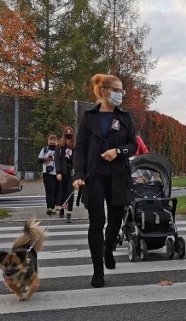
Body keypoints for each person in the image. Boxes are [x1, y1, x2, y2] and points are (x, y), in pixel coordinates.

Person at [73, 74, 137, 288]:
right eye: (117, 90)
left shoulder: (126, 117)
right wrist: (78, 175)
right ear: (104, 92)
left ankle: (108, 248)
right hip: (95, 175)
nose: (120, 95)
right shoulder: (89, 116)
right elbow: (80, 148)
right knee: (96, 221)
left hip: (118, 175)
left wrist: (118, 151)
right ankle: (97, 270)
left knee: (116, 220)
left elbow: (133, 145)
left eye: (122, 91)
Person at [55, 125, 76, 223]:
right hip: (62, 172)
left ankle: (69, 213)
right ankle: (62, 210)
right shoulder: (60, 145)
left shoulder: (75, 145)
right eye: (67, 133)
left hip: (71, 172)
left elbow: (78, 159)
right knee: (62, 192)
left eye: (70, 133)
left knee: (70, 192)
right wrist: (58, 172)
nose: (68, 135)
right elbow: (57, 160)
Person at [37, 133, 59, 215]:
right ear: (48, 142)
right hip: (47, 173)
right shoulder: (45, 149)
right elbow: (38, 160)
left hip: (57, 173)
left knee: (57, 191)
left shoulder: (58, 150)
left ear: (56, 142)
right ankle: (50, 208)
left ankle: (54, 206)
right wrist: (45, 159)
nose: (52, 145)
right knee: (50, 190)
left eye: (54, 144)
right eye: (51, 144)